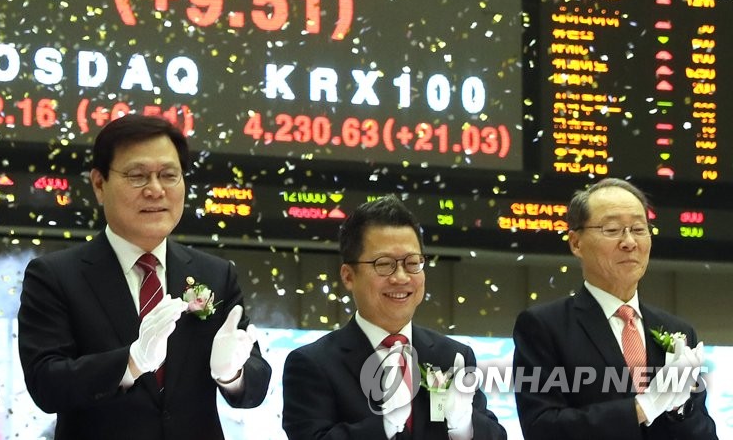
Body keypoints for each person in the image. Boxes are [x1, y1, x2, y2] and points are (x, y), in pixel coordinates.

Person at [17, 113, 271, 439]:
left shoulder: (215, 274)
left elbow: (255, 385)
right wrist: (131, 362)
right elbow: (46, 384)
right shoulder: (55, 276)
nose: (155, 190)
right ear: (99, 184)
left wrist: (232, 374)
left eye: (169, 175)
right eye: (137, 176)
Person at [283, 195, 507, 440]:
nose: (401, 277)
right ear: (348, 276)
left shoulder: (452, 357)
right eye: (384, 264)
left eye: (412, 263)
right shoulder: (312, 364)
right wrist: (385, 426)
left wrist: (464, 427)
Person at [512, 177, 717, 439]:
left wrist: (679, 407)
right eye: (612, 230)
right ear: (576, 243)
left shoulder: (678, 331)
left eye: (639, 229)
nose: (629, 242)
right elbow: (541, 428)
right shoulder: (543, 326)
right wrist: (641, 408)